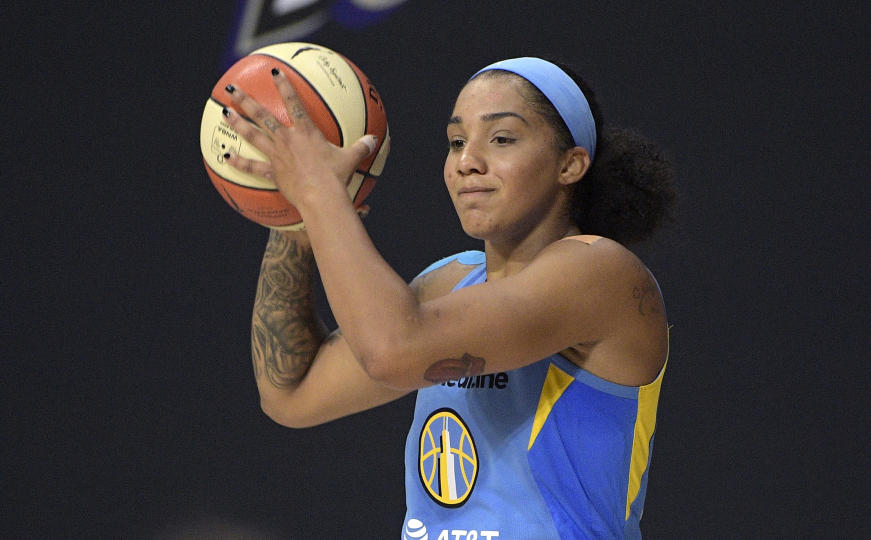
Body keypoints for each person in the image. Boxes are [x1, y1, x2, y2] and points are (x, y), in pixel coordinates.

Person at [221, 56, 677, 538]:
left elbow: (392, 351)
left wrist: (320, 193)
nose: (467, 161)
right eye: (457, 141)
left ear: (570, 164)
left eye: (501, 139)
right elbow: (291, 394)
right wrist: (295, 217)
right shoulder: (450, 281)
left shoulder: (599, 273)